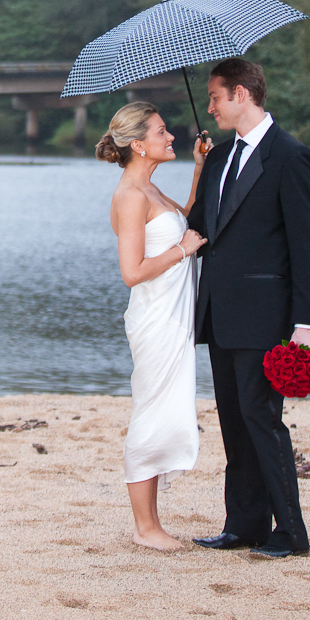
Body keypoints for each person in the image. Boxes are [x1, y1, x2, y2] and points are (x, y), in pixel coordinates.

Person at [187, 58, 310, 559]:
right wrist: (199, 167)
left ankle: (290, 532)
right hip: (220, 313)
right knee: (233, 420)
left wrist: (305, 323)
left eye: (216, 97)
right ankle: (244, 525)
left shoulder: (290, 156)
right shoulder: (220, 157)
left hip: (267, 315)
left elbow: (308, 244)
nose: (211, 107)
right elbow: (201, 229)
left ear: (241, 94)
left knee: (262, 419)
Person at [97, 101, 210, 551]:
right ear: (139, 144)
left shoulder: (151, 189)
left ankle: (152, 523)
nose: (171, 137)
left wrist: (199, 168)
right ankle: (144, 528)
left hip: (175, 314)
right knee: (151, 410)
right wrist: (182, 251)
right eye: (162, 131)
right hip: (156, 317)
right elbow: (132, 271)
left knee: (167, 409)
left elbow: (187, 224)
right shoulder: (130, 195)